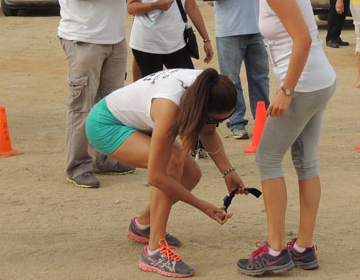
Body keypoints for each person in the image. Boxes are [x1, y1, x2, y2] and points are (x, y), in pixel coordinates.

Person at [219, 0, 336, 276]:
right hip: (318, 79)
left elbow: (301, 39)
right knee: (305, 161)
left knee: (268, 158)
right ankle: (303, 248)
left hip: (303, 84)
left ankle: (274, 252)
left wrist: (285, 90)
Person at [85, 68, 245, 278]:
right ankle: (154, 252)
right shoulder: (170, 107)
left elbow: (208, 131)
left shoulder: (207, 87)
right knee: (170, 165)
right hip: (106, 125)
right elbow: (156, 177)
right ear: (202, 110)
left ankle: (142, 225)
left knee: (191, 173)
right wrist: (201, 205)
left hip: (135, 121)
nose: (216, 125)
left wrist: (228, 172)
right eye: (215, 119)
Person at [54, 0, 138, 189]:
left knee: (110, 105)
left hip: (114, 37)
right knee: (81, 104)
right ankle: (78, 166)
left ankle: (105, 158)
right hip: (84, 38)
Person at [202, 0, 269, 140]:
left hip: (257, 27)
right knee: (231, 80)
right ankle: (236, 122)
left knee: (260, 77)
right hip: (229, 30)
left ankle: (264, 122)